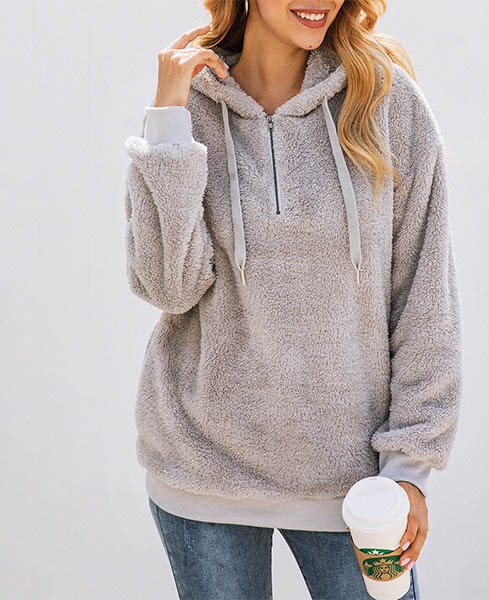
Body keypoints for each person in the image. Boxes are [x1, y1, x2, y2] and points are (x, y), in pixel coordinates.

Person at [123, 0, 462, 598]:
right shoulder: (187, 107)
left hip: (356, 488)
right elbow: (166, 287)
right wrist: (169, 125)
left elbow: (426, 299)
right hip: (203, 471)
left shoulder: (385, 102)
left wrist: (409, 467)